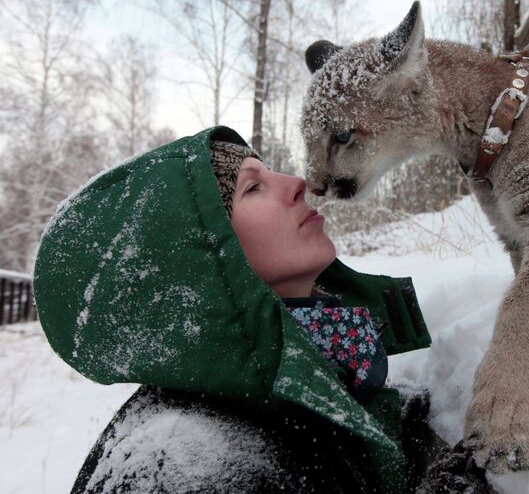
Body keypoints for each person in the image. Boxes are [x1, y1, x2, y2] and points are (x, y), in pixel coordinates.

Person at [33, 126, 493, 493]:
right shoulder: (182, 471)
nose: (296, 183)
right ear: (195, 267)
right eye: (252, 188)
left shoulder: (325, 371)